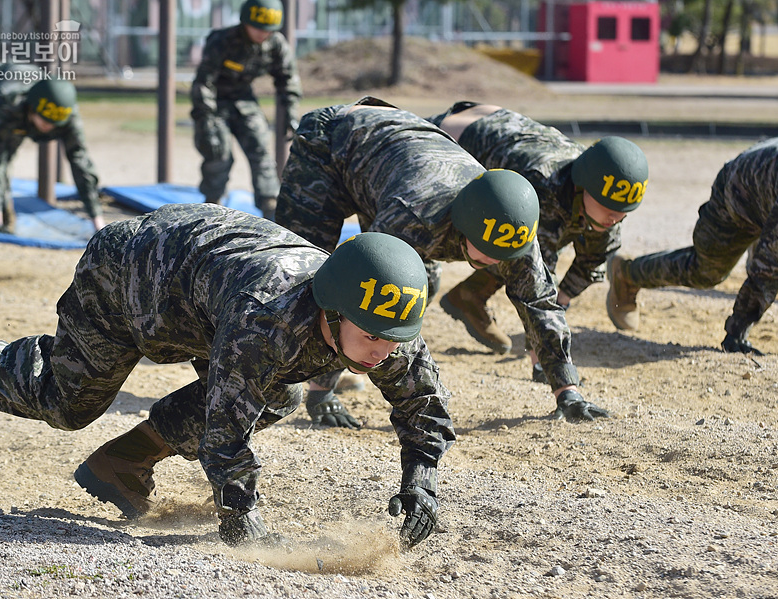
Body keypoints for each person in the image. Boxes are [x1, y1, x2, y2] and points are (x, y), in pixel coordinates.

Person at [0, 203, 453, 549]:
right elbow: (226, 429)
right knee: (68, 405)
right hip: (134, 274)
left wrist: (422, 479)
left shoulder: (386, 321)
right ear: (331, 311)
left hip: (206, 294)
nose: (382, 352)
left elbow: (422, 405)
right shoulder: (264, 321)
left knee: (278, 393)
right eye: (371, 338)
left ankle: (125, 460)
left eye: (392, 339)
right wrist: (240, 516)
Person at [275, 96, 609, 428]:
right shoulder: (416, 216)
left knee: (423, 285)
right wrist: (321, 393)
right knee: (302, 266)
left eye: (501, 256)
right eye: (486, 251)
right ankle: (291, 371)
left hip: (387, 163)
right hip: (332, 141)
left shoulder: (512, 227)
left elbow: (539, 302)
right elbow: (354, 285)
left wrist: (567, 389)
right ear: (462, 227)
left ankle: (337, 358)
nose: (495, 262)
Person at [425, 101, 649, 382]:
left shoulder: (604, 197)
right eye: (608, 209)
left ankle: (469, 296)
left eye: (621, 214)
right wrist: (544, 360)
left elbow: (593, 260)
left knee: (523, 249)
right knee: (508, 245)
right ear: (584, 187)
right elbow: (535, 281)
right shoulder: (545, 189)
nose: (614, 219)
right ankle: (470, 295)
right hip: (452, 135)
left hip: (498, 125)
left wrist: (562, 304)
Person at [607, 137, 778, 355]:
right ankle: (627, 275)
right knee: (705, 272)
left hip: (765, 188)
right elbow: (768, 268)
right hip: (737, 194)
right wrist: (738, 331)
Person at [190, 0, 301, 221]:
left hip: (243, 100)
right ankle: (212, 207)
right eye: (258, 28)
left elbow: (287, 79)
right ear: (245, 22)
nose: (262, 34)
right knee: (218, 152)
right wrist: (206, 118)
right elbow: (204, 82)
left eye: (268, 30)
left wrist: (291, 113)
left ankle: (271, 208)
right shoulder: (222, 40)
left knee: (261, 150)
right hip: (215, 102)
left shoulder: (276, 44)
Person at [0, 62, 105, 233]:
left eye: (54, 124)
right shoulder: (8, 103)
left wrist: (97, 222)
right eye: (45, 121)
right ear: (32, 110)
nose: (49, 127)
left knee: (7, 156)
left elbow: (80, 162)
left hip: (25, 109)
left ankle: (0, 200)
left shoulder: (67, 113)